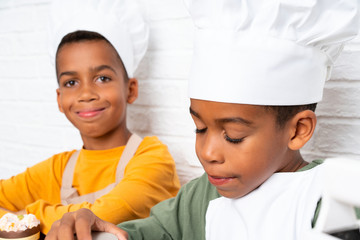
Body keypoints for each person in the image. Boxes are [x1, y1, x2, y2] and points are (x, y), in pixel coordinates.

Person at [45, 0, 360, 239]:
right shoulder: (197, 198)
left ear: (298, 130)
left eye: (233, 135)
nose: (207, 152)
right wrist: (97, 228)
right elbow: (145, 233)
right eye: (200, 128)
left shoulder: (333, 195)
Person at [0, 0, 180, 235]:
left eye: (102, 78)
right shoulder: (58, 169)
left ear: (131, 89)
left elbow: (102, 215)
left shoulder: (153, 159)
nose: (86, 94)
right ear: (59, 99)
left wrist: (25, 217)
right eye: (71, 82)